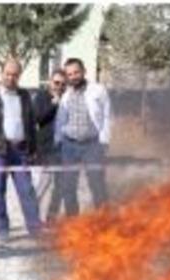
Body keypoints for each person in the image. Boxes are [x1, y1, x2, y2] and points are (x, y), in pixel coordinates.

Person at [0, 58, 42, 242]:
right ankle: (3, 229)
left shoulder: (25, 96)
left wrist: (33, 149)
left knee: (27, 190)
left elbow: (30, 124)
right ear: (1, 73)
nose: (11, 78)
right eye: (8, 74)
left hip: (20, 151)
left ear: (19, 75)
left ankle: (35, 229)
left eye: (15, 75)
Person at [54, 57, 112, 211]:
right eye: (70, 74)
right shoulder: (66, 94)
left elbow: (107, 116)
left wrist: (104, 140)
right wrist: (58, 140)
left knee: (97, 184)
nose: (73, 76)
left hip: (92, 145)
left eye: (76, 72)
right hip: (69, 145)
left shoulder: (98, 90)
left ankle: (104, 221)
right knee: (68, 187)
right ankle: (73, 223)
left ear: (84, 71)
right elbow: (60, 120)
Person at [33, 69, 71, 221]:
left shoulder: (67, 98)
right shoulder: (42, 96)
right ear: (50, 82)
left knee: (60, 186)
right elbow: (37, 118)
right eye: (56, 83)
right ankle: (32, 217)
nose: (59, 87)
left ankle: (51, 218)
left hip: (63, 148)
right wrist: (53, 105)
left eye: (63, 84)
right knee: (44, 183)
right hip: (47, 148)